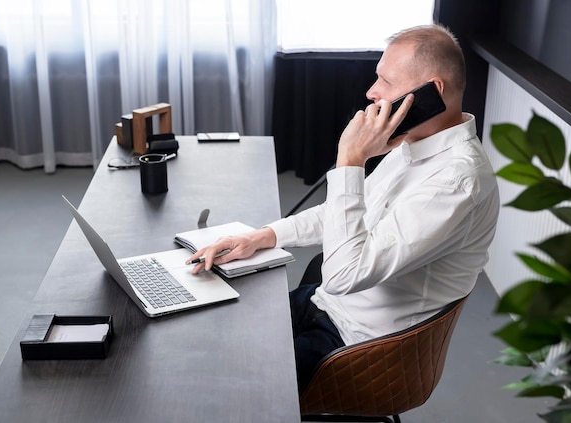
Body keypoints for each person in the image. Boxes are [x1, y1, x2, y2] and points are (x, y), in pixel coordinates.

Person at [187, 23, 500, 393]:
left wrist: (351, 160)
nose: (372, 92)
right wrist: (261, 237)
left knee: (223, 387)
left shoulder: (457, 182)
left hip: (359, 346)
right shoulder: (414, 144)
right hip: (327, 305)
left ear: (433, 92)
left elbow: (342, 275)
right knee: (206, 338)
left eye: (385, 81)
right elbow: (345, 213)